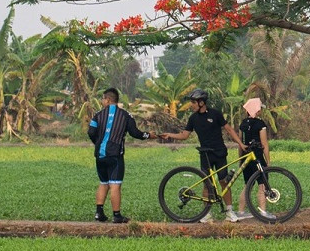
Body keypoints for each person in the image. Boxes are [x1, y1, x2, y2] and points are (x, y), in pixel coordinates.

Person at [156, 89, 240, 223]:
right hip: (205, 154)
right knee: (207, 185)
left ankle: (230, 212)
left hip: (219, 152)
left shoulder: (215, 114)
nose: (192, 105)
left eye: (194, 102)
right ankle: (206, 215)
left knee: (224, 181)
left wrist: (240, 143)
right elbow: (184, 135)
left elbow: (229, 129)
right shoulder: (193, 118)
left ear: (201, 102)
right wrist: (170, 135)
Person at [86, 87, 148, 223]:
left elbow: (91, 132)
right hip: (115, 155)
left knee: (103, 183)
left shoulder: (97, 115)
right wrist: (148, 135)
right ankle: (117, 215)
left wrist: (97, 143)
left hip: (100, 155)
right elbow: (135, 133)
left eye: (103, 99)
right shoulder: (125, 115)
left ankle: (99, 213)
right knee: (115, 185)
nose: (102, 101)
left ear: (108, 100)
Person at [233, 97, 275, 222]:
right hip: (257, 158)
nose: (260, 111)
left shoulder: (243, 124)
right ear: (256, 110)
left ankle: (240, 211)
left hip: (246, 158)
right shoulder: (260, 124)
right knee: (262, 185)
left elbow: (240, 144)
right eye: (259, 109)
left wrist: (241, 159)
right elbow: (264, 144)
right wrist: (268, 160)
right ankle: (263, 211)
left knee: (247, 185)